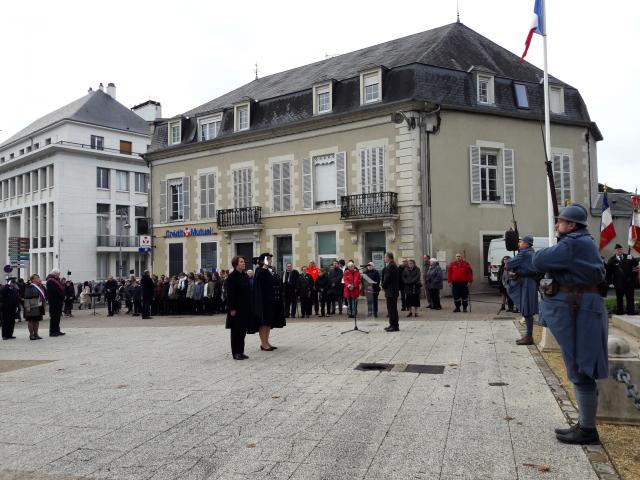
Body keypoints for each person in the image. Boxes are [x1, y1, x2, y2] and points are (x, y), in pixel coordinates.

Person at [532, 203, 608, 445]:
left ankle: (587, 430)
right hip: (581, 308)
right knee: (579, 367)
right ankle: (585, 424)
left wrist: (558, 243)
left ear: (572, 225)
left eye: (561, 222)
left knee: (581, 368)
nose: (557, 225)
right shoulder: (579, 241)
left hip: (580, 310)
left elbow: (538, 260)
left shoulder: (573, 243)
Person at [507, 235, 540, 345]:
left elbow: (509, 264)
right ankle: (528, 335)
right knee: (527, 310)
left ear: (526, 244)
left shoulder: (524, 253)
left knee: (527, 310)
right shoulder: (531, 252)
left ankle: (529, 336)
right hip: (529, 282)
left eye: (521, 242)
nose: (519, 243)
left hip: (526, 283)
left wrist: (510, 261)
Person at [226, 256, 257, 360]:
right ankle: (236, 352)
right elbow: (230, 294)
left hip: (245, 307)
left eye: (244, 262)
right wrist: (232, 308)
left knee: (243, 330)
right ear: (236, 264)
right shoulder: (232, 277)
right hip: (236, 307)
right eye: (241, 262)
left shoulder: (244, 275)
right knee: (236, 331)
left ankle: (241, 351)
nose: (244, 263)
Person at [253, 253, 285, 351]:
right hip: (264, 301)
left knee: (268, 323)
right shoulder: (260, 271)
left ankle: (266, 342)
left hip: (271, 301)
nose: (270, 261)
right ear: (263, 261)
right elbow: (258, 286)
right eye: (268, 259)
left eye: (270, 259)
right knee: (263, 323)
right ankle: (263, 343)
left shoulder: (269, 271)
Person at [606, 244, 639, 315]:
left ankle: (631, 312)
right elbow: (609, 273)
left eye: (621, 249)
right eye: (618, 250)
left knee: (630, 299)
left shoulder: (628, 257)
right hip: (618, 283)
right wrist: (609, 282)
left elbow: (636, 265)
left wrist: (633, 259)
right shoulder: (612, 260)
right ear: (615, 251)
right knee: (619, 299)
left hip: (629, 282)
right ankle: (620, 313)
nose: (620, 251)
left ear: (622, 250)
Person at [24, 274, 46, 340]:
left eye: (38, 277)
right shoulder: (29, 287)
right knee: (31, 321)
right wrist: (27, 306)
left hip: (39, 305)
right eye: (36, 278)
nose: (38, 279)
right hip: (32, 306)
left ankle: (36, 334)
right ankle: (31, 335)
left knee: (37, 320)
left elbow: (43, 295)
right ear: (33, 280)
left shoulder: (40, 286)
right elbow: (26, 297)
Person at [382, 252, 400, 332]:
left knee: (392, 309)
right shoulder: (390, 265)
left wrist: (383, 286)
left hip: (391, 291)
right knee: (390, 309)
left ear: (389, 257)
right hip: (391, 291)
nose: (384, 259)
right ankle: (392, 324)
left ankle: (395, 326)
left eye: (385, 257)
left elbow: (388, 278)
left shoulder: (391, 266)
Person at [46, 269, 65, 337]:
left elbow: (60, 288)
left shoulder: (56, 280)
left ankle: (57, 330)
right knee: (54, 317)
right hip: (54, 301)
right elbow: (54, 291)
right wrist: (60, 295)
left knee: (57, 317)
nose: (59, 275)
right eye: (58, 274)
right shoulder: (50, 281)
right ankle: (52, 332)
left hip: (58, 301)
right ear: (55, 274)